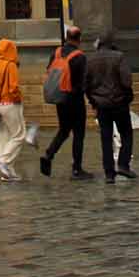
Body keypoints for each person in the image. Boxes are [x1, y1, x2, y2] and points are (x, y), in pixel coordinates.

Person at [83, 31, 137, 182]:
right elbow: (127, 81)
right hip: (119, 103)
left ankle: (109, 174)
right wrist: (127, 96)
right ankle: (123, 165)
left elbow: (85, 84)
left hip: (101, 105)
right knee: (126, 133)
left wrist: (93, 100)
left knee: (105, 138)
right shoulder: (119, 57)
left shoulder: (91, 60)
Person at [39, 25, 91, 179]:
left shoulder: (56, 52)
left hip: (60, 98)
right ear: (79, 39)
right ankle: (77, 169)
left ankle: (49, 154)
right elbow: (83, 82)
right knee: (79, 134)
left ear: (67, 37)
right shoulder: (79, 56)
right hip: (74, 100)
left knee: (64, 130)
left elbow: (49, 71)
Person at [0, 38, 28, 181]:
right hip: (10, 104)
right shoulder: (11, 65)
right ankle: (3, 161)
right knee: (19, 135)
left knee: (5, 137)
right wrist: (19, 99)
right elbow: (13, 87)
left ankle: (7, 172)